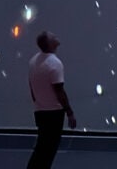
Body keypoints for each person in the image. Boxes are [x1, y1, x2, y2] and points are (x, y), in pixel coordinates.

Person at [26, 31, 76, 169]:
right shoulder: (55, 64)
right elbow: (59, 91)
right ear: (49, 44)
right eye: (53, 37)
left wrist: (36, 102)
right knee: (49, 151)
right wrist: (70, 113)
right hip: (53, 113)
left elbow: (31, 85)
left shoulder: (33, 61)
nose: (56, 37)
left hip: (40, 111)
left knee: (41, 148)